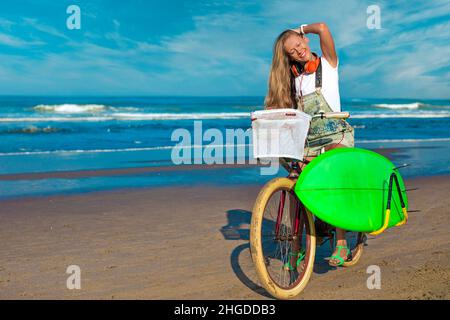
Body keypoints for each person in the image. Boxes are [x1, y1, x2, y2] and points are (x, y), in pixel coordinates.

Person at [265, 22, 355, 267]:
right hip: (310, 141)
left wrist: (301, 29)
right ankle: (296, 250)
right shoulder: (295, 81)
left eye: (298, 45)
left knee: (333, 176)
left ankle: (341, 243)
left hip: (336, 133)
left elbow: (325, 28)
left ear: (306, 41)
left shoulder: (328, 64)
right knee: (299, 188)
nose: (298, 52)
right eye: (292, 52)